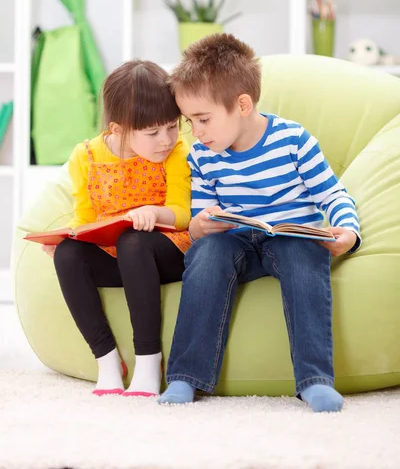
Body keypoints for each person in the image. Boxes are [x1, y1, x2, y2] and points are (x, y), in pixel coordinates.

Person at [159, 34, 361, 412]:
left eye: (203, 120)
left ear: (242, 105)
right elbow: (204, 213)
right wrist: (200, 227)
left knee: (304, 255)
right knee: (206, 256)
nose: (196, 132)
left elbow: (333, 195)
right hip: (235, 240)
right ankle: (186, 377)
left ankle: (315, 380)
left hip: (289, 238)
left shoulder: (293, 141)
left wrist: (347, 232)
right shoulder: (203, 155)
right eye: (190, 122)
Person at [43, 61, 192, 397]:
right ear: (118, 129)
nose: (167, 139)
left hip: (167, 252)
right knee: (68, 254)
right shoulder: (86, 156)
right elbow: (84, 215)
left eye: (172, 126)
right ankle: (107, 360)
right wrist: (69, 235)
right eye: (153, 133)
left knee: (134, 241)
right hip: (117, 257)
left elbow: (182, 213)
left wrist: (154, 213)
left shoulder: (176, 151)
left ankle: (149, 360)